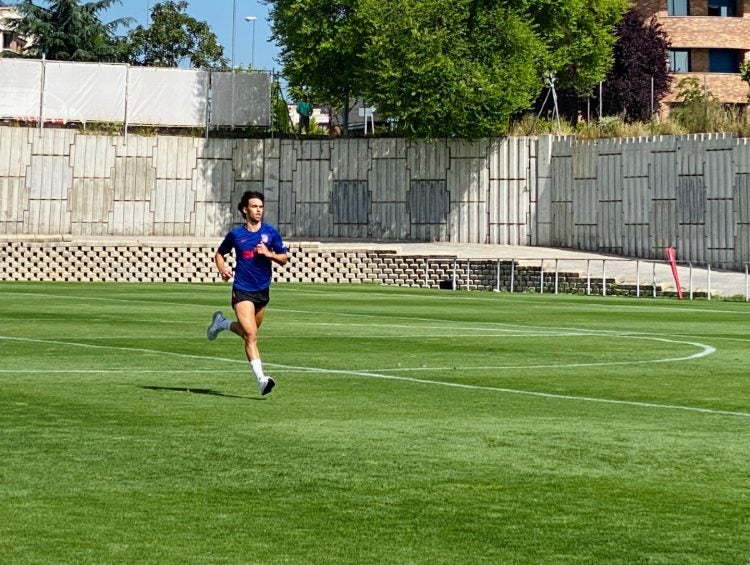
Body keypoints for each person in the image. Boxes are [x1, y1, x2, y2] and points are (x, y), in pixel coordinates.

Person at [207, 191, 289, 396]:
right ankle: (262, 380)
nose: (258, 210)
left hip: (262, 291)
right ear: (245, 209)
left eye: (261, 206)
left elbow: (284, 258)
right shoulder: (236, 235)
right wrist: (222, 268)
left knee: (248, 333)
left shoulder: (271, 233)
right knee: (251, 335)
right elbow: (219, 253)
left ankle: (222, 323)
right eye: (254, 206)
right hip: (242, 290)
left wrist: (269, 254)